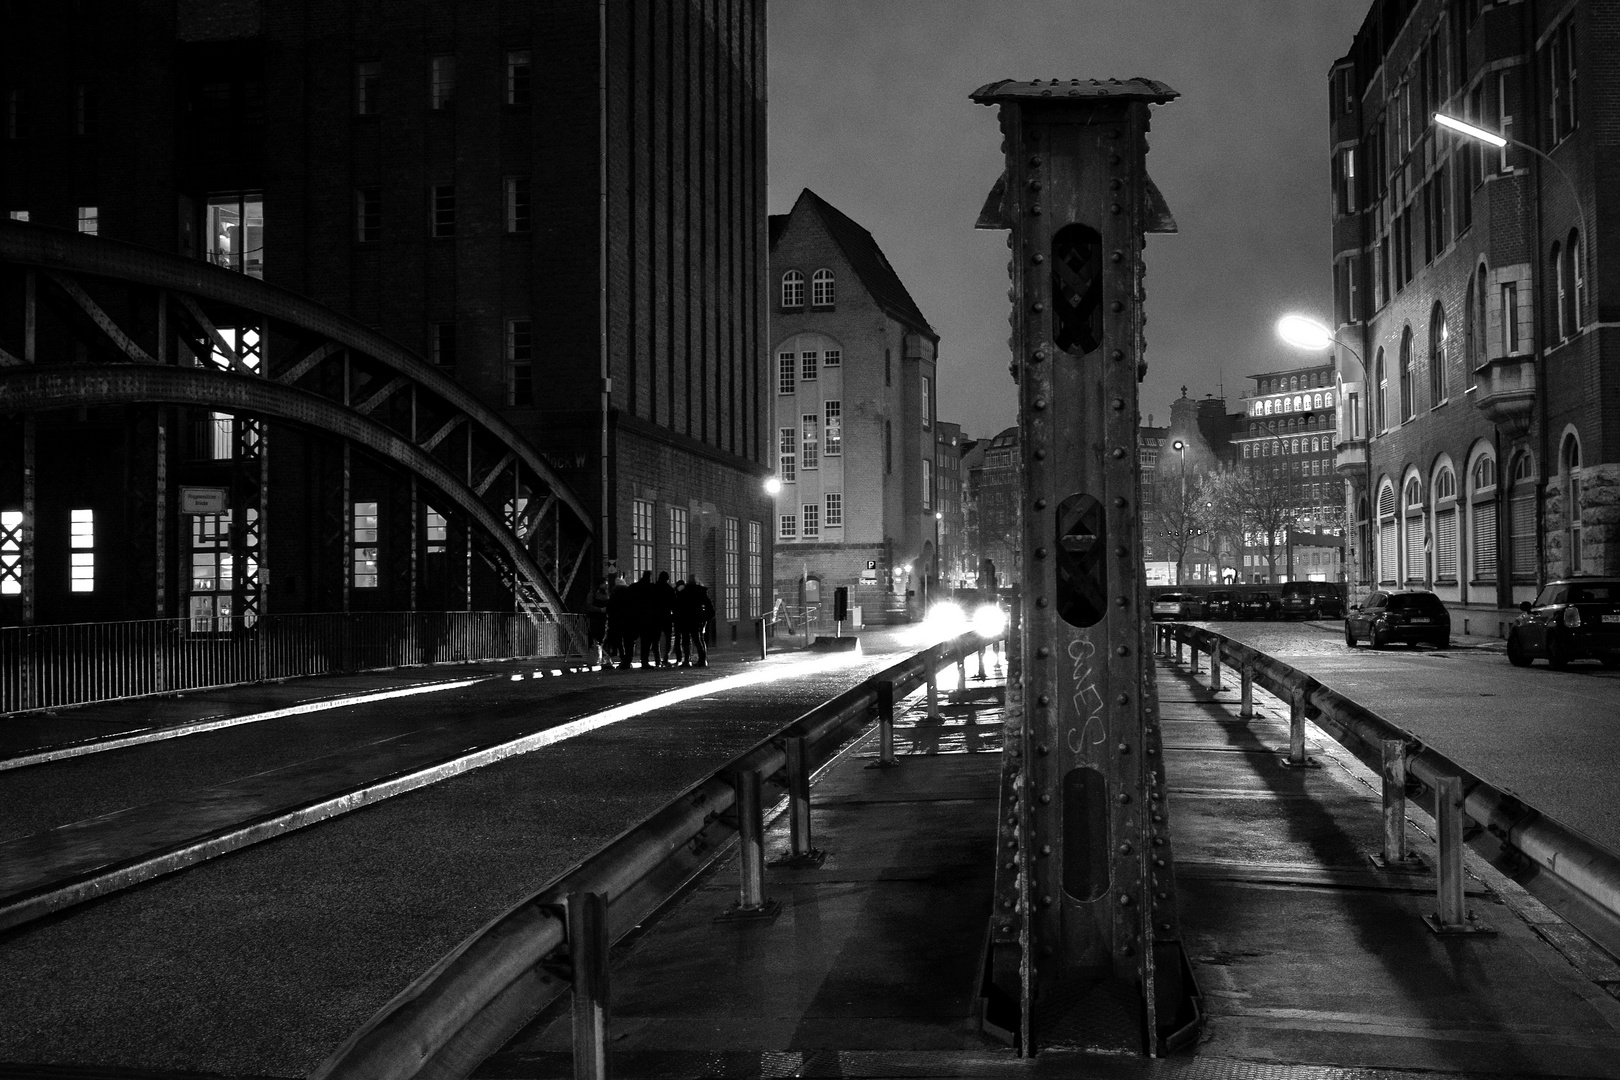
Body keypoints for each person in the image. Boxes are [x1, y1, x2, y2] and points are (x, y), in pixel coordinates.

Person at [676, 574, 715, 668]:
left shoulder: (684, 591)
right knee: (698, 640)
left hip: (685, 618)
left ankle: (686, 660)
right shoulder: (700, 591)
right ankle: (702, 660)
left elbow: (679, 605)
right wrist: (706, 616)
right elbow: (708, 604)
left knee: (686, 640)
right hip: (697, 619)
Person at [605, 573, 634, 670]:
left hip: (616, 622)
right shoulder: (630, 595)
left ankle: (623, 657)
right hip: (628, 621)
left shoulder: (614, 596)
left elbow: (609, 608)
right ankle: (628, 659)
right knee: (629, 641)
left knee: (618, 641)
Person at [651, 571, 677, 666]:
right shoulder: (669, 589)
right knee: (668, 638)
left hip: (655, 616)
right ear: (667, 579)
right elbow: (674, 604)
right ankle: (665, 658)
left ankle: (657, 659)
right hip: (666, 616)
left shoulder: (653, 588)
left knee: (655, 639)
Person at [586, 575, 611, 667]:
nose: (606, 586)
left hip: (602, 618)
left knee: (601, 638)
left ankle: (599, 657)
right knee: (595, 637)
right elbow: (589, 606)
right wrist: (600, 610)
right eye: (604, 584)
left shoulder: (605, 594)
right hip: (596, 618)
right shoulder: (594, 593)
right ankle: (599, 657)